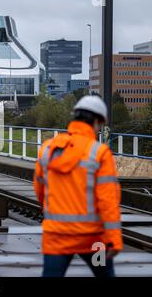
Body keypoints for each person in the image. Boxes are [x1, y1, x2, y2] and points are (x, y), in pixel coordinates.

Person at [34, 95, 122, 277]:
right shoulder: (99, 153)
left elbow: (40, 191)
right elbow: (108, 200)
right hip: (94, 240)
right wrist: (113, 238)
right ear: (97, 122)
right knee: (105, 274)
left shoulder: (48, 149)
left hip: (56, 236)